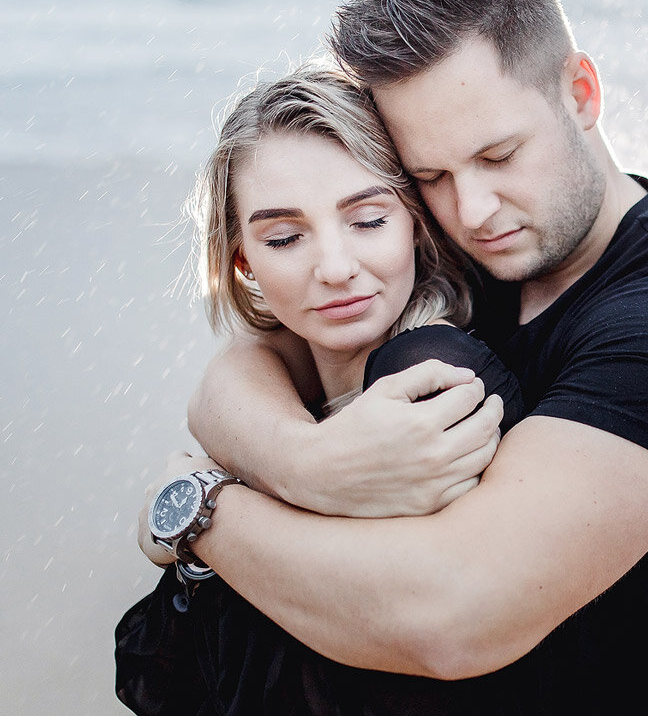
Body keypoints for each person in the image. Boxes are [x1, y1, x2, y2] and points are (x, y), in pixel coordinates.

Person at [140, 0, 648, 715]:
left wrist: (199, 506)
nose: (472, 209)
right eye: (430, 174)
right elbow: (248, 364)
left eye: (499, 154)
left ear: (581, 92)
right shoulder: (472, 250)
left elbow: (452, 618)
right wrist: (306, 460)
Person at [116, 62, 524, 715]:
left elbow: (410, 638)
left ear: (415, 222)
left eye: (367, 220)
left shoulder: (434, 378)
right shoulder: (275, 395)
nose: (335, 268)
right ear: (242, 257)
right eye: (285, 236)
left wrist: (195, 510)